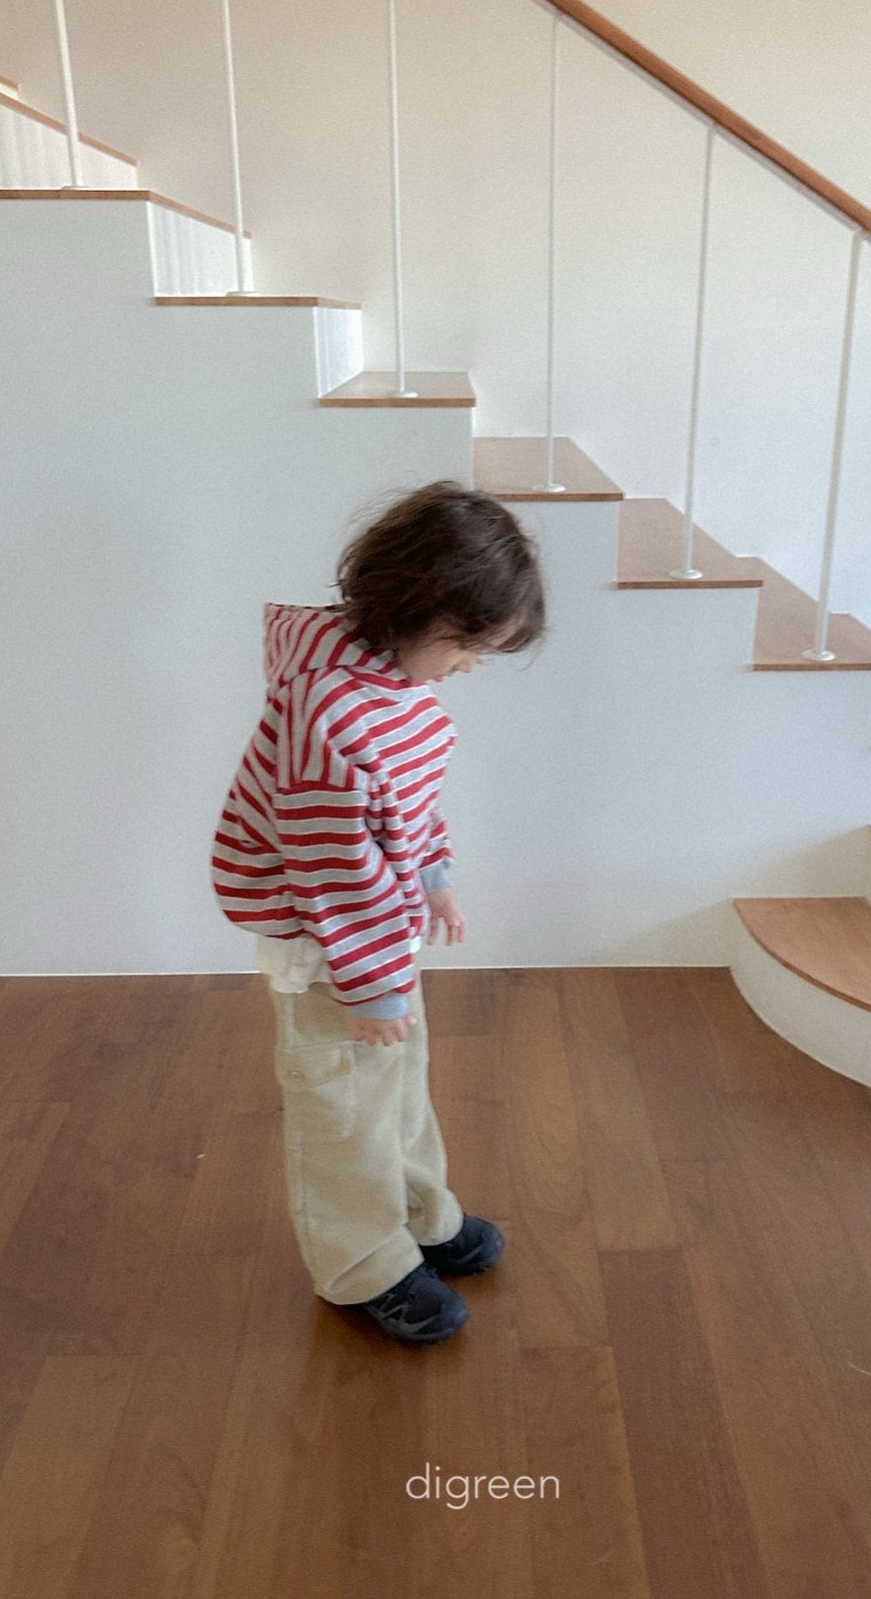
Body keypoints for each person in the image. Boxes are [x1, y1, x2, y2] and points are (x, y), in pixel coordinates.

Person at [211, 479, 545, 1344]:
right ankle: (362, 1262)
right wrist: (369, 986)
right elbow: (332, 866)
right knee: (343, 1102)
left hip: (377, 935)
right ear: (414, 609)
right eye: (467, 646)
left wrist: (434, 875)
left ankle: (419, 1215)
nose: (469, 667)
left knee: (397, 1081)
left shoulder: (393, 680)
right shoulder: (328, 711)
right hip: (328, 942)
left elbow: (406, 801)